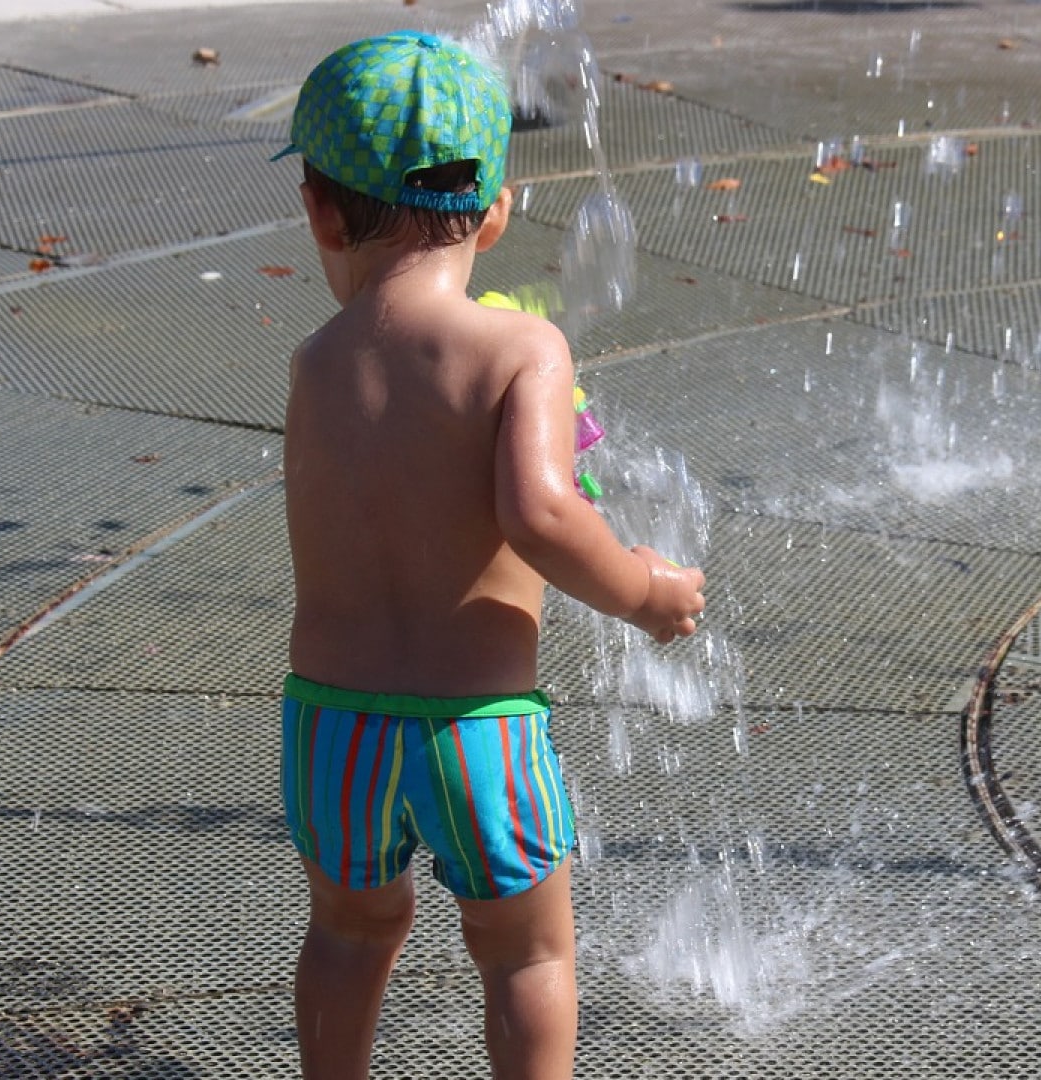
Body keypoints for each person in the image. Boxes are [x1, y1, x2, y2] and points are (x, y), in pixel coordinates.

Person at [272, 31, 705, 1080]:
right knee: (525, 952)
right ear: (498, 211)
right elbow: (541, 515)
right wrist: (645, 590)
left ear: (321, 212)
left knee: (347, 934)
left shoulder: (314, 363)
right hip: (477, 735)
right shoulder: (521, 350)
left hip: (331, 725)